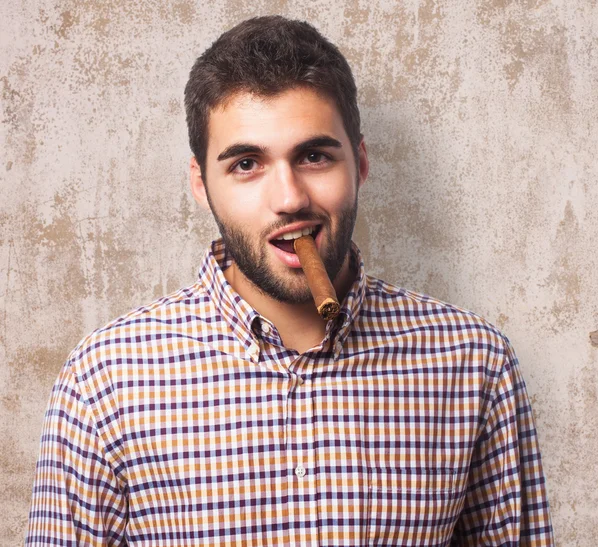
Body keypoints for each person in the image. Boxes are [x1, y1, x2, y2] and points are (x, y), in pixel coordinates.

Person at [26, 15, 554, 546]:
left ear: (361, 162)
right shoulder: (105, 381)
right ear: (201, 184)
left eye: (314, 156)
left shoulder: (474, 364)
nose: (290, 198)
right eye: (247, 164)